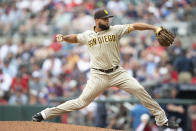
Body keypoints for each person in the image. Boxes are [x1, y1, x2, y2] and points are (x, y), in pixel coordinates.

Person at [32, 8, 178, 129]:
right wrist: (64, 38)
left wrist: (154, 28)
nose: (108, 21)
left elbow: (134, 26)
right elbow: (75, 37)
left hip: (117, 72)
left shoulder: (115, 30)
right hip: (98, 76)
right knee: (81, 102)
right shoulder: (88, 35)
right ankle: (45, 114)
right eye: (105, 19)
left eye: (108, 19)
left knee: (139, 90)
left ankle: (162, 120)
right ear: (96, 21)